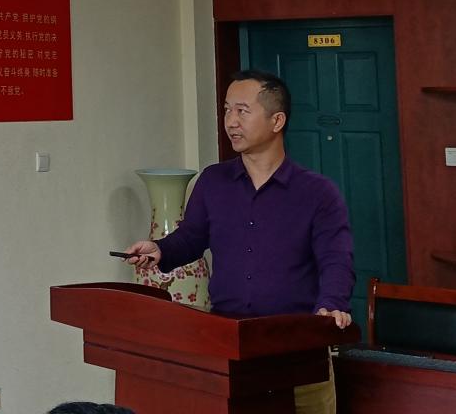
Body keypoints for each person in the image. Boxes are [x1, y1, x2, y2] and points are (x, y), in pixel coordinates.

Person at [125, 70, 354, 414]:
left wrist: (331, 304)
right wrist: (160, 249)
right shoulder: (214, 181)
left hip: (297, 345)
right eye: (227, 110)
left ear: (277, 120)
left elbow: (336, 258)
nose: (231, 121)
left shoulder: (317, 192)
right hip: (228, 343)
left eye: (242, 111)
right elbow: (191, 237)